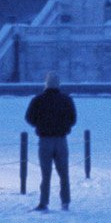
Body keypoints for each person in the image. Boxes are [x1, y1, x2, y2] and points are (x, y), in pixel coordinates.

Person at [23, 72, 77, 212]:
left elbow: (29, 117)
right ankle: (65, 202)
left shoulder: (38, 100)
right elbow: (73, 119)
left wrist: (40, 125)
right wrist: (64, 127)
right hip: (61, 140)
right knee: (64, 173)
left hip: (45, 140)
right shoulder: (66, 100)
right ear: (59, 84)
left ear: (46, 84)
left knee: (45, 174)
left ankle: (44, 202)